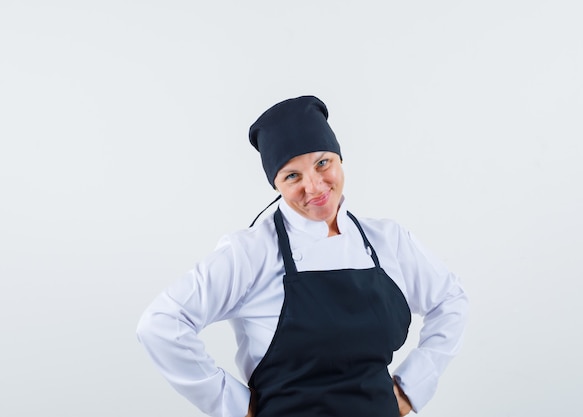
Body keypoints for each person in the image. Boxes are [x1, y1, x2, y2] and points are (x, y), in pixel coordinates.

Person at [137, 95, 468, 417]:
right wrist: (232, 404)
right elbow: (161, 323)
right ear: (276, 183)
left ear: (340, 159)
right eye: (292, 175)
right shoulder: (250, 252)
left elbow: (450, 299)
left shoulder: (388, 240)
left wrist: (414, 385)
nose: (314, 186)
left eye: (323, 162)